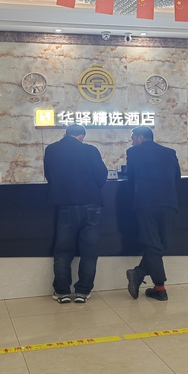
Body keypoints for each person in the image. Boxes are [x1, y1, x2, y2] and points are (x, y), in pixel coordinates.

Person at [44, 124, 108, 304]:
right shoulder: (91, 150)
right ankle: (83, 292)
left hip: (66, 205)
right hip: (92, 205)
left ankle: (62, 292)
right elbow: (101, 177)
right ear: (81, 136)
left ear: (65, 134)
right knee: (89, 251)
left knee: (63, 251)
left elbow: (49, 175)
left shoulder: (52, 149)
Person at [125, 126, 181, 301]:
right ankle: (157, 286)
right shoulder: (170, 152)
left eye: (133, 138)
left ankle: (142, 276)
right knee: (160, 245)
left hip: (145, 205)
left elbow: (130, 178)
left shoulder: (133, 153)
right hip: (168, 204)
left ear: (141, 138)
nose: (131, 142)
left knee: (152, 246)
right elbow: (177, 177)